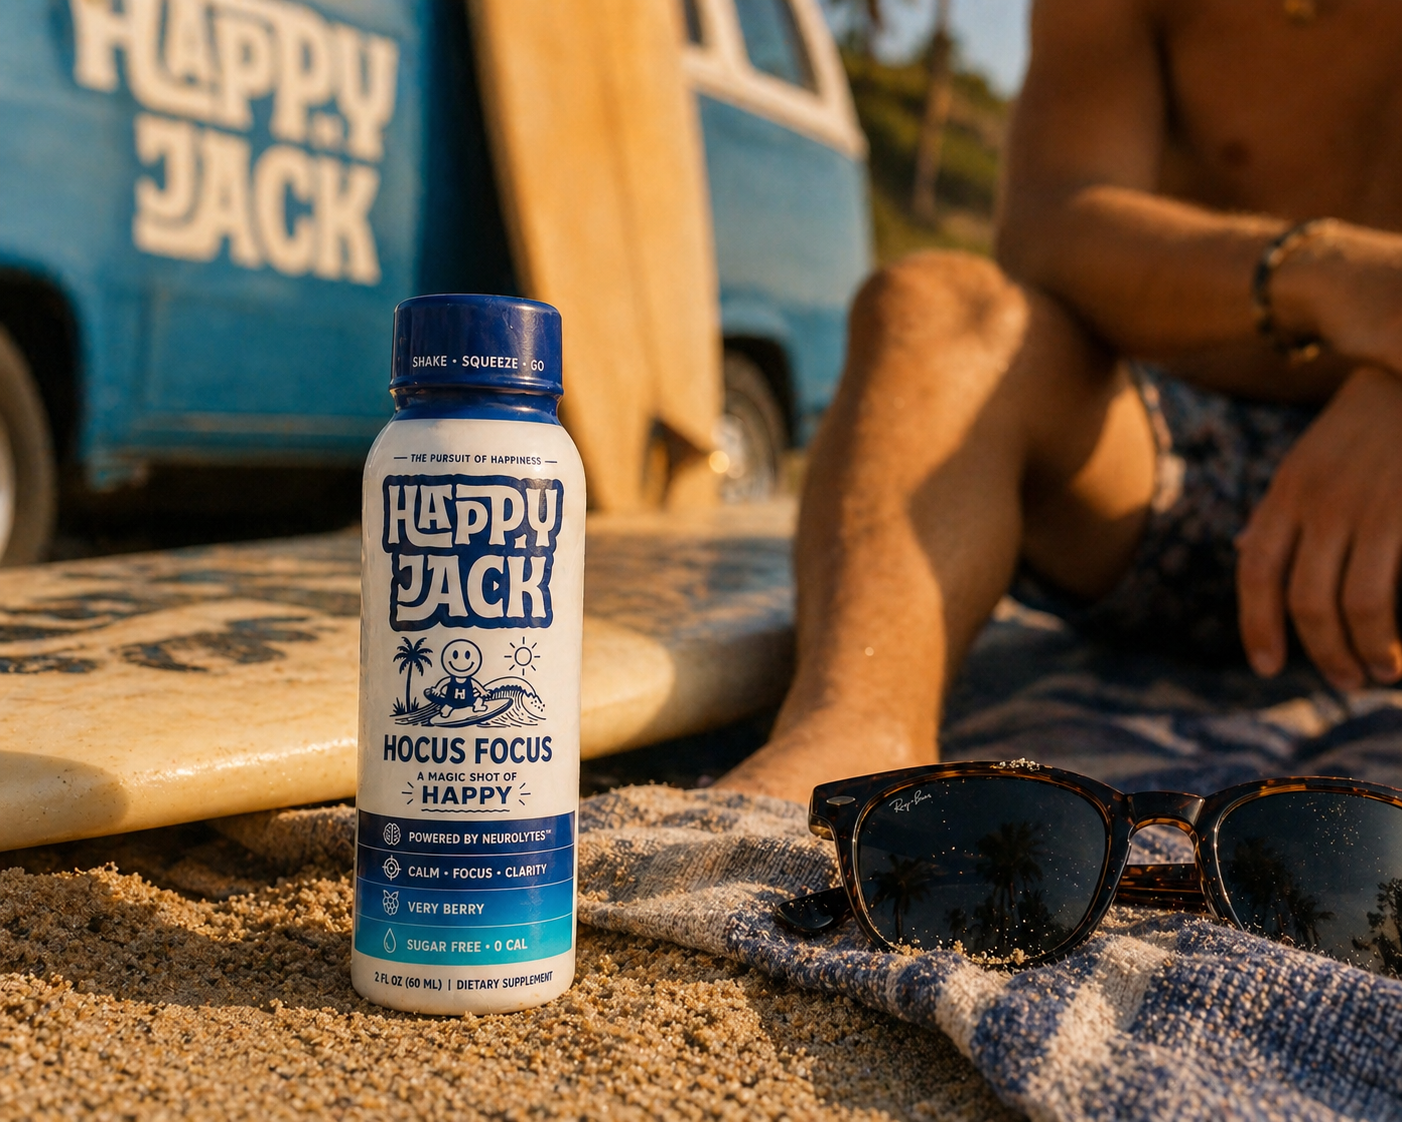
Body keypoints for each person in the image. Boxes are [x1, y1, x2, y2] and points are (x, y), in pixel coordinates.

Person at [720, 0, 1402, 804]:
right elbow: (1050, 226)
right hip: (1157, 468)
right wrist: (1325, 273)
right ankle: (852, 734)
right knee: (935, 311)